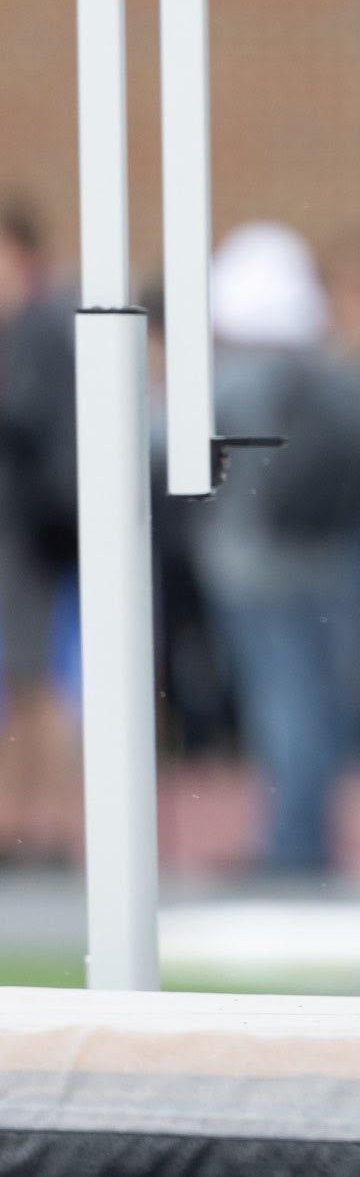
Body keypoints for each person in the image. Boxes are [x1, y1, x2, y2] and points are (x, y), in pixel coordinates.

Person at [192, 223, 360, 877]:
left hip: (256, 564)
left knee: (282, 702)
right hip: (335, 558)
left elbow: (173, 450)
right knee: (323, 703)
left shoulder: (232, 379)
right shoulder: (335, 371)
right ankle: (311, 834)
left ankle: (290, 845)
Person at [0, 200, 79, 863]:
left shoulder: (41, 328)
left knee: (31, 679)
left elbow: (29, 423)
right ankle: (19, 819)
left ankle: (41, 821)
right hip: (20, 528)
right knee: (21, 679)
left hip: (25, 532)